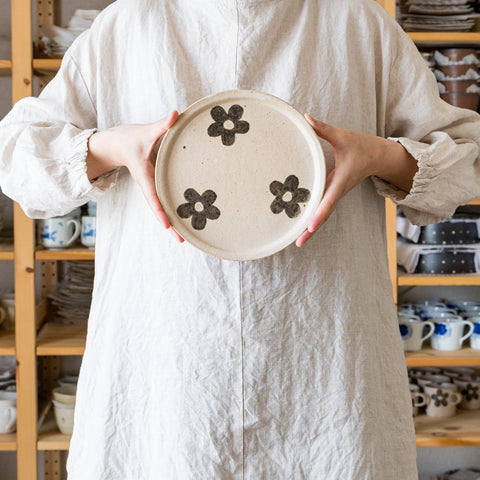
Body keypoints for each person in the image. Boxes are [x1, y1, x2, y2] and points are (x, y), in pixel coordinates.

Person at [1, 0, 480, 478]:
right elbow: (17, 161)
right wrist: (111, 146)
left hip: (326, 375)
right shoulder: (127, 25)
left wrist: (381, 155)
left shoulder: (358, 23)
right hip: (166, 373)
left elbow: (466, 163)